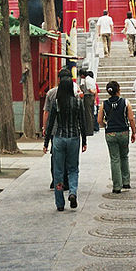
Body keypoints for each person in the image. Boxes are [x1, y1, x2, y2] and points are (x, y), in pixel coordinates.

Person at [43, 76, 87, 211]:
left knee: (58, 171)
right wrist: (84, 140)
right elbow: (82, 123)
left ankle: (60, 203)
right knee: (73, 169)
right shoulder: (78, 102)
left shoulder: (57, 103)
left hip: (59, 138)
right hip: (74, 138)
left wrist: (46, 143)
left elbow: (51, 124)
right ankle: (72, 192)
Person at [98, 81, 136, 194]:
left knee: (114, 159)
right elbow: (131, 119)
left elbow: (99, 120)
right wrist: (134, 132)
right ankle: (126, 182)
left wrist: (106, 126)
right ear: (118, 90)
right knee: (124, 156)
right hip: (123, 132)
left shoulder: (104, 104)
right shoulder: (125, 102)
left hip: (110, 133)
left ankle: (116, 186)